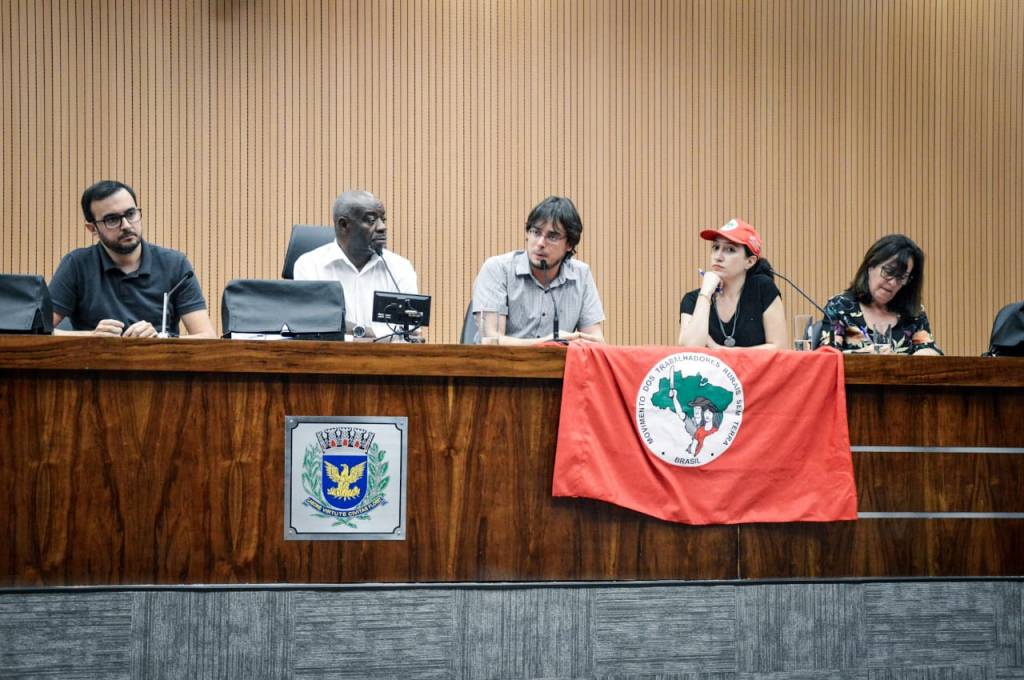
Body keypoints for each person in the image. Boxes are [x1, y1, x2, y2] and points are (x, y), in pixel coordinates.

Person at [49, 180, 215, 338]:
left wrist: (160, 339)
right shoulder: (76, 264)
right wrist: (91, 336)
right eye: (112, 219)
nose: (127, 225)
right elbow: (38, 331)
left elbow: (207, 337)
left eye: (131, 214)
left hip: (159, 363)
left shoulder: (174, 264)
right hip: (94, 364)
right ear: (93, 228)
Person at [471, 196, 605, 345]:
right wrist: (547, 343)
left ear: (569, 244)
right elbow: (491, 341)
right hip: (500, 366)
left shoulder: (581, 275)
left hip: (556, 367)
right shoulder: (497, 269)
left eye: (552, 236)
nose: (540, 243)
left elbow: (596, 342)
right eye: (536, 232)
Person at [293, 190, 418, 340]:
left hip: (387, 360)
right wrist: (375, 334)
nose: (382, 227)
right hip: (329, 358)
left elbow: (411, 329)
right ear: (344, 225)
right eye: (371, 221)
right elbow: (313, 325)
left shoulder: (400, 267)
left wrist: (352, 330)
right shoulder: (310, 265)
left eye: (383, 220)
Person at [819, 234, 941, 355]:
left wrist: (918, 356)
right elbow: (828, 356)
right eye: (889, 271)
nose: (893, 283)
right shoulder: (840, 306)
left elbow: (930, 349)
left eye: (902, 277)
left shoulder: (913, 312)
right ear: (871, 265)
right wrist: (864, 355)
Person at [678, 219, 787, 350]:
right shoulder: (693, 299)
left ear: (750, 262)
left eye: (730, 249)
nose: (718, 256)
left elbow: (779, 348)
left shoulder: (762, 289)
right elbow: (690, 350)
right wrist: (706, 292)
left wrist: (721, 350)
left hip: (755, 371)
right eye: (716, 247)